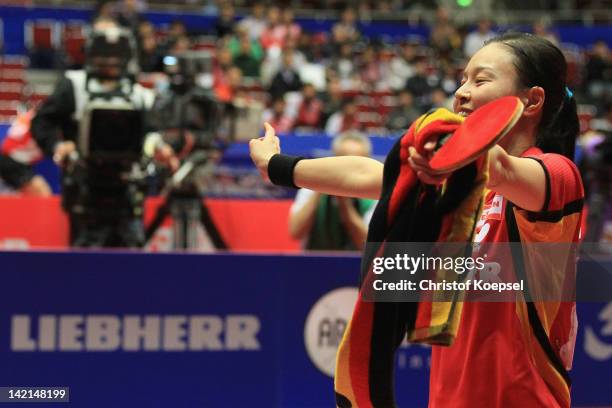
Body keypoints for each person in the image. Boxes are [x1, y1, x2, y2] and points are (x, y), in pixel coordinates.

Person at [250, 32, 583, 407]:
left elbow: (501, 166)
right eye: (462, 79)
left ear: (532, 100)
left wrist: (448, 150)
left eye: (481, 80)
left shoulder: (557, 179)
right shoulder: (464, 190)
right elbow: (370, 174)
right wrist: (277, 166)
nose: (461, 92)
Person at [289, 131, 376, 251]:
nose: (349, 171)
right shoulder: (309, 188)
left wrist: (345, 206)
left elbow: (368, 245)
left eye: (357, 164)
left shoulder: (375, 196)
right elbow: (295, 232)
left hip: (358, 266)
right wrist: (321, 185)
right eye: (344, 161)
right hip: (316, 263)